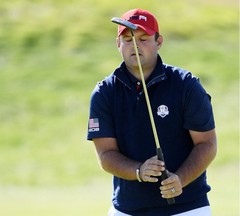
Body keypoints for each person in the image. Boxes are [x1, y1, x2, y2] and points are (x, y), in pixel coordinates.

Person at [87, 8, 217, 216]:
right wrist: (138, 170)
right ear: (118, 44)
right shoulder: (105, 92)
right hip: (127, 209)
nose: (135, 45)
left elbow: (207, 144)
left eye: (144, 38)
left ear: (159, 42)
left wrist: (180, 179)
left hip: (188, 208)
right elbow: (106, 155)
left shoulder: (186, 85)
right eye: (128, 39)